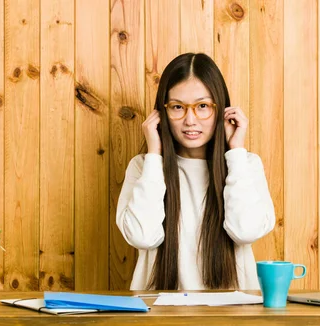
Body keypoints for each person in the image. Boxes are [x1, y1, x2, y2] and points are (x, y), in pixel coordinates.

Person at [116, 52, 275, 291]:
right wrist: (154, 155)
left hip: (233, 315)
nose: (190, 120)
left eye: (202, 106)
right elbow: (142, 237)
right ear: (162, 113)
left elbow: (245, 231)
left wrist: (236, 152)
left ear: (221, 110)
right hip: (159, 316)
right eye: (177, 107)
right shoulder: (143, 167)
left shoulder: (246, 164)